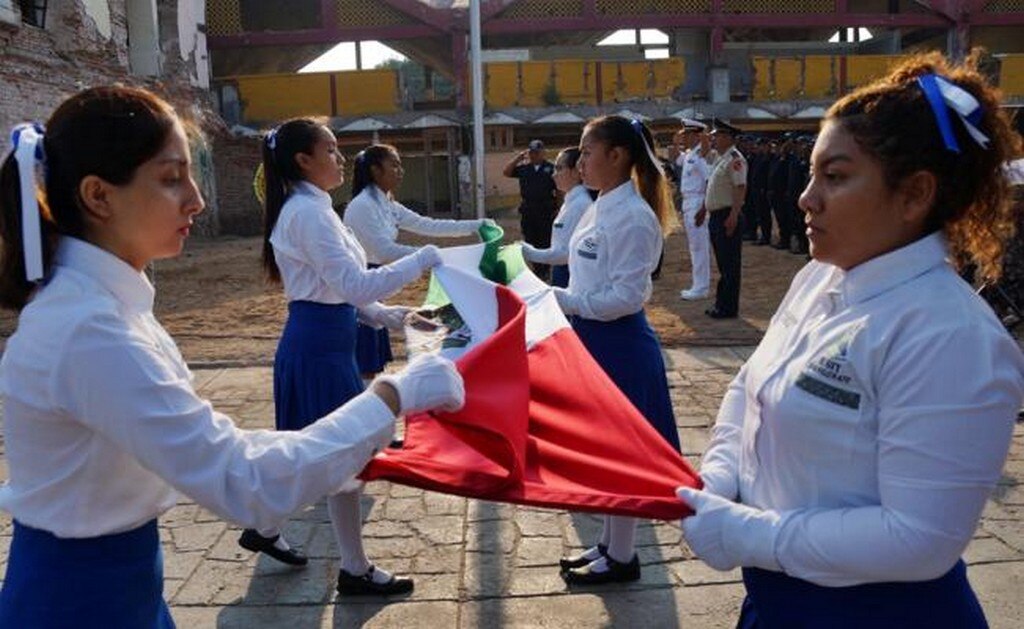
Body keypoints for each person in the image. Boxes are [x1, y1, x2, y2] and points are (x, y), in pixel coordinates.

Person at [0, 86, 465, 626]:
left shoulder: (104, 306)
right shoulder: (89, 330)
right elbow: (244, 483)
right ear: (99, 196)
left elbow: (222, 451)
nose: (196, 200)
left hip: (118, 584)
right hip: (79, 604)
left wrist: (388, 340)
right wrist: (394, 394)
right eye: (171, 178)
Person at [677, 52, 1024, 627]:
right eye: (813, 174)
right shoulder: (820, 277)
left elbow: (919, 537)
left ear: (914, 195)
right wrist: (718, 477)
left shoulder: (950, 335)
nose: (806, 198)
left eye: (835, 177)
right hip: (777, 603)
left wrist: (747, 532)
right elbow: (749, 386)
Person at [248, 119, 445, 595]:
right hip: (318, 348)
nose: (340, 159)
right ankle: (353, 568)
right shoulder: (308, 213)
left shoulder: (316, 208)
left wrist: (387, 316)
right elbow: (353, 284)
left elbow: (340, 291)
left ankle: (267, 527)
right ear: (303, 160)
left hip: (326, 340)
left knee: (323, 454)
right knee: (343, 458)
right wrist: (420, 260)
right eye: (331, 150)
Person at [552, 116, 680, 585]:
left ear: (617, 155)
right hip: (594, 338)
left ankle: (623, 556)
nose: (580, 162)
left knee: (621, 451)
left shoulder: (634, 217)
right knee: (604, 449)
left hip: (619, 342)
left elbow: (627, 296)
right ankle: (609, 543)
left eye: (587, 152)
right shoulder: (600, 204)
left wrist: (564, 301)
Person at [343, 144, 492, 377]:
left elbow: (427, 224)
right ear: (375, 170)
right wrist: (427, 257)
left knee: (372, 363)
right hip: (362, 283)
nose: (400, 171)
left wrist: (475, 226)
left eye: (400, 165)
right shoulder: (363, 206)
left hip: (377, 281)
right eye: (394, 165)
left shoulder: (387, 203)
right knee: (364, 361)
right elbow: (385, 251)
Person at [521, 147, 594, 288]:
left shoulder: (580, 205)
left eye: (559, 169)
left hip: (570, 274)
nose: (554, 175)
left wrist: (530, 253)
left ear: (576, 172)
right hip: (562, 272)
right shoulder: (571, 201)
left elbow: (565, 254)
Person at [703, 120, 747, 319]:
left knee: (729, 264)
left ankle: (728, 308)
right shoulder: (721, 158)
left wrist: (733, 216)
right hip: (717, 216)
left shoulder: (735, 159)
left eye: (718, 136)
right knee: (723, 263)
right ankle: (722, 303)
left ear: (728, 137)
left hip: (727, 215)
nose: (714, 139)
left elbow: (740, 187)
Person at [503, 139, 557, 280]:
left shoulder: (551, 168)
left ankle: (545, 270)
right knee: (530, 239)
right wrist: (518, 158)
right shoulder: (524, 169)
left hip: (545, 209)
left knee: (545, 240)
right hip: (528, 209)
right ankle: (537, 269)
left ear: (543, 153)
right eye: (532, 152)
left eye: (537, 152)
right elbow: (506, 172)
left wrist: (559, 208)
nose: (534, 155)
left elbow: (559, 190)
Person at [676, 119, 715, 301]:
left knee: (699, 247)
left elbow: (709, 181)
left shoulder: (701, 155)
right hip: (688, 202)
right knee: (694, 247)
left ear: (696, 136)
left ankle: (701, 287)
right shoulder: (691, 154)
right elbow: (675, 158)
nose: (684, 138)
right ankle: (697, 285)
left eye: (687, 135)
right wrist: (676, 143)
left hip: (697, 202)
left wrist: (703, 209)